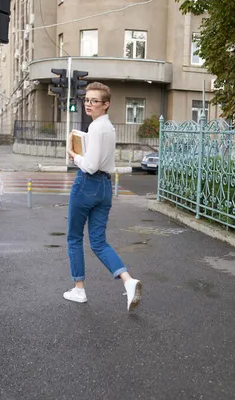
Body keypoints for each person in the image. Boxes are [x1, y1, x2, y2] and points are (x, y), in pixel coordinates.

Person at [64, 82, 142, 311]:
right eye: (87, 100)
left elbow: (89, 165)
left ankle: (79, 289)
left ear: (106, 104)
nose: (89, 104)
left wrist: (73, 155)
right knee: (98, 241)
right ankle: (128, 281)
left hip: (87, 184)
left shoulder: (97, 128)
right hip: (105, 187)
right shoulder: (108, 128)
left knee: (74, 237)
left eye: (94, 101)